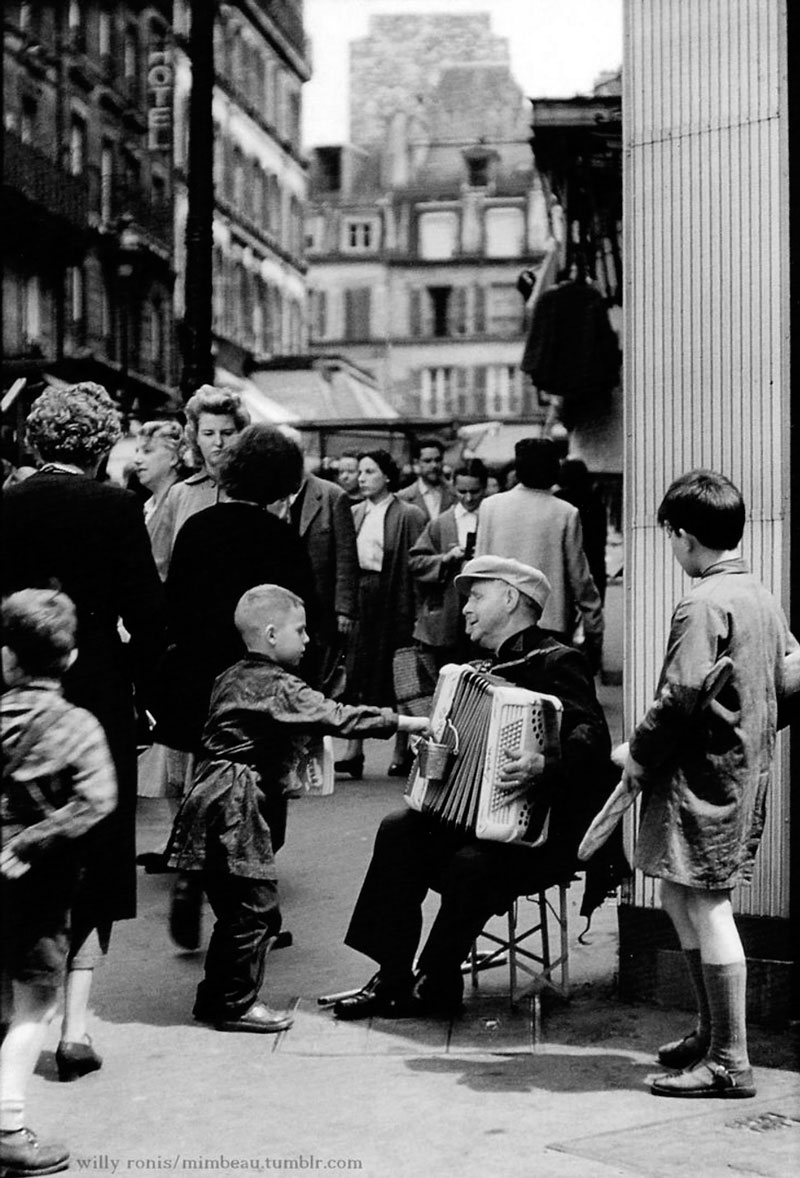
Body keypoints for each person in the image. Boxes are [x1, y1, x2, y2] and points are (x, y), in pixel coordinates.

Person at [332, 555, 614, 1020]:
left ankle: (437, 976)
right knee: (399, 831)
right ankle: (392, 973)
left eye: (476, 597)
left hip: (538, 832)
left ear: (510, 599)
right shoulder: (473, 669)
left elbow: (592, 736)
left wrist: (545, 762)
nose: (464, 609)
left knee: (471, 863)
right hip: (474, 825)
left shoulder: (559, 662)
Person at [167, 584, 428, 1033]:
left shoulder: (231, 676)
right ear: (271, 634)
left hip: (209, 795)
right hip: (237, 803)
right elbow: (336, 715)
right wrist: (403, 721)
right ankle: (233, 1003)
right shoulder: (277, 685)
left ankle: (217, 996)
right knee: (257, 910)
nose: (308, 640)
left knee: (237, 908)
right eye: (300, 630)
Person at [1, 381, 166, 1077]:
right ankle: (74, 1028)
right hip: (94, 685)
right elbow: (149, 616)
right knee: (92, 850)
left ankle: (15, 1015)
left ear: (37, 440)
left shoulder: (5, 505)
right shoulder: (117, 507)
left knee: (17, 834)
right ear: (102, 445)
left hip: (14, 684)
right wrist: (137, 681)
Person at [622, 471, 797, 1099]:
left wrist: (637, 751)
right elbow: (791, 682)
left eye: (671, 534)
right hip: (735, 768)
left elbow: (679, 697)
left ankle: (729, 1059)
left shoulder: (701, 602)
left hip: (704, 777)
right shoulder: (760, 595)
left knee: (708, 904)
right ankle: (710, 1031)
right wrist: (752, 729)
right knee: (678, 893)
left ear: (684, 535)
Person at [158, 425, 317, 949]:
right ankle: (257, 919)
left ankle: (195, 871)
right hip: (261, 691)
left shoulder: (198, 528)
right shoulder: (281, 539)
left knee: (212, 784)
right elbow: (302, 624)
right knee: (266, 807)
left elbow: (174, 611)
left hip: (203, 688)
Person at [0, 592, 117, 1174]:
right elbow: (99, 800)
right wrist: (32, 840)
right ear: (70, 659)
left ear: (6, 659)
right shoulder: (77, 724)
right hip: (40, 887)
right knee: (32, 1009)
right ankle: (11, 1130)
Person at [476, 438, 603, 672]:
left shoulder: (490, 506)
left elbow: (479, 568)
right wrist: (594, 622)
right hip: (549, 624)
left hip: (499, 622)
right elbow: (579, 576)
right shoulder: (565, 512)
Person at [336, 451, 426, 779]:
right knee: (358, 672)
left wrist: (416, 612)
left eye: (370, 471)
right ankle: (354, 750)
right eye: (359, 472)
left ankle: (401, 752)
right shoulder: (353, 511)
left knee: (398, 674)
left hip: (395, 597)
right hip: (363, 594)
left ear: (387, 476)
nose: (361, 478)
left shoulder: (409, 514)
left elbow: (418, 564)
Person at [408, 459, 488, 669]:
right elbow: (416, 561)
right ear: (453, 487)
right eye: (462, 491)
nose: (468, 498)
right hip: (449, 609)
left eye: (475, 491)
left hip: (485, 607)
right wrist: (444, 559)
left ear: (485, 488)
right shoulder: (441, 523)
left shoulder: (492, 519)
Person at [158, 385, 250, 566]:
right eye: (208, 433)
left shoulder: (261, 491)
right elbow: (162, 565)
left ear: (241, 435)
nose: (218, 442)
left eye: (227, 433)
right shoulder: (178, 495)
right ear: (196, 438)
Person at [133, 420, 187, 581]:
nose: (137, 459)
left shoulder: (181, 502)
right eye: (137, 451)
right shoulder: (147, 505)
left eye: (147, 451)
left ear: (174, 457)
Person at [556, 458, 608, 604]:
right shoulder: (596, 502)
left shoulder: (558, 500)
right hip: (592, 563)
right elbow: (600, 542)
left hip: (564, 568)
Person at [396, 436, 456, 522]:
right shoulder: (403, 498)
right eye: (427, 461)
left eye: (438, 460)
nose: (434, 465)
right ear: (417, 463)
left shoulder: (456, 493)